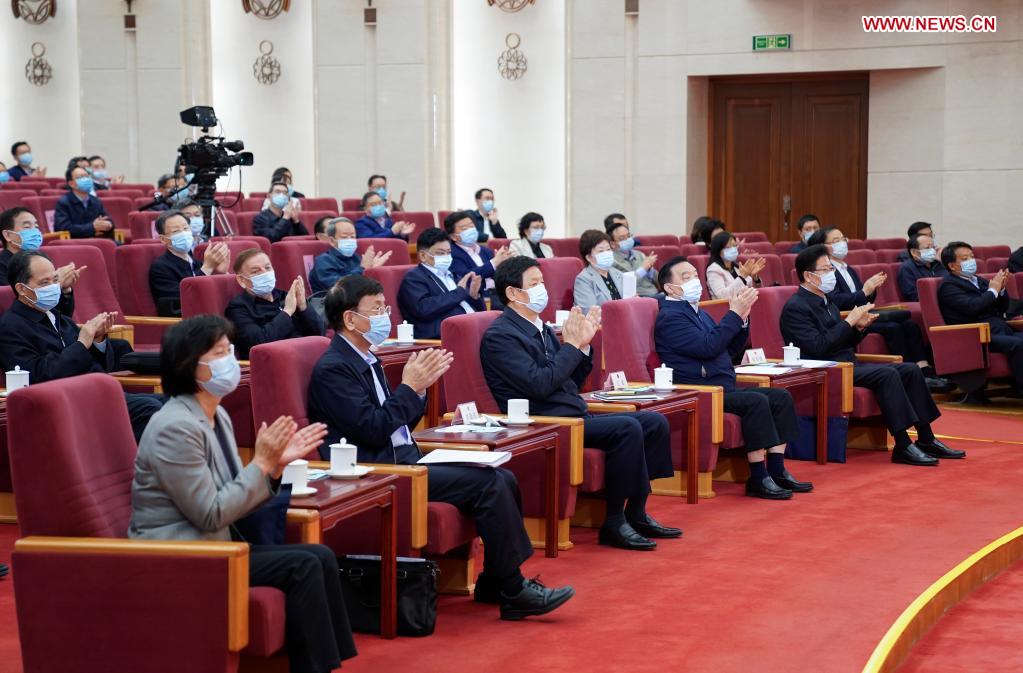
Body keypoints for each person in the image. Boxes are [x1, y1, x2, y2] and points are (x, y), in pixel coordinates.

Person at [309, 275, 575, 619]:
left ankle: (494, 580)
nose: (385, 316)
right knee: (488, 484)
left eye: (385, 308)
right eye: (376, 309)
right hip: (378, 473)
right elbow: (374, 430)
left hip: (407, 459)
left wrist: (417, 391)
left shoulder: (365, 358)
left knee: (503, 476)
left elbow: (397, 423)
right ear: (349, 318)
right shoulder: (334, 369)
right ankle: (513, 589)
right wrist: (410, 388)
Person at [129, 315, 355, 672]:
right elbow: (211, 514)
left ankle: (325, 665)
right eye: (219, 353)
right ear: (190, 366)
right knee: (304, 565)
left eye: (230, 350)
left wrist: (274, 466)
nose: (230, 360)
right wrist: (261, 464)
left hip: (221, 543)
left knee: (321, 556)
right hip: (182, 553)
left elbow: (237, 492)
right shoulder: (175, 427)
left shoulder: (217, 415)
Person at [482, 256, 680, 550]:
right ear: (512, 292)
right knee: (627, 428)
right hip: (543, 422)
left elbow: (570, 382)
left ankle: (636, 512)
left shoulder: (540, 328)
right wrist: (572, 346)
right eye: (534, 283)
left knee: (654, 421)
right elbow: (539, 384)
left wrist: (584, 346)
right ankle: (614, 522)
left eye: (542, 282)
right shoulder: (501, 336)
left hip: (572, 413)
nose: (542, 289)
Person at [780, 245, 964, 466]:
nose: (832, 274)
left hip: (847, 364)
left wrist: (859, 328)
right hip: (825, 370)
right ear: (809, 276)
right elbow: (817, 347)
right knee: (887, 375)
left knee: (911, 369)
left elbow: (842, 341)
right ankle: (903, 444)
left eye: (831, 268)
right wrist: (848, 322)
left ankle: (926, 437)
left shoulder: (827, 301)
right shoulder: (796, 307)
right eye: (826, 269)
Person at [654, 256, 811, 499]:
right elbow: (708, 347)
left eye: (695, 275)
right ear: (670, 288)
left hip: (723, 386)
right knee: (756, 402)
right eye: (686, 277)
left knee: (780, 396)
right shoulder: (671, 317)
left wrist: (743, 319)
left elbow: (727, 350)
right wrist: (733, 315)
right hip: (700, 391)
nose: (695, 280)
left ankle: (777, 470)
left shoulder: (697, 312)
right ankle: (758, 476)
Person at [0, 250, 163, 440]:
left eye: (55, 280)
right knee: (151, 409)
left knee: (175, 401)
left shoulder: (55, 316)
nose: (53, 287)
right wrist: (82, 342)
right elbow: (39, 376)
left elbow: (99, 364)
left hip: (98, 392)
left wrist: (98, 340)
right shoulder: (10, 327)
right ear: (22, 289)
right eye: (44, 283)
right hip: (67, 401)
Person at [808, 227, 944, 388]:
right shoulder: (826, 274)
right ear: (822, 246)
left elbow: (862, 296)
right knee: (893, 327)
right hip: (850, 318)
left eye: (843, 239)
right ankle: (908, 371)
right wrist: (864, 291)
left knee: (910, 325)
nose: (842, 243)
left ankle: (922, 368)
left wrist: (871, 290)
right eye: (836, 241)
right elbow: (836, 300)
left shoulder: (847, 268)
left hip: (862, 312)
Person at [938, 241, 1023, 394]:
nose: (971, 261)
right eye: (965, 259)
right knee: (1017, 344)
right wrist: (993, 291)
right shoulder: (949, 286)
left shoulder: (979, 280)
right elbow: (972, 307)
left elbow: (1002, 308)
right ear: (952, 266)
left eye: (972, 257)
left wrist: (1001, 290)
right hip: (977, 335)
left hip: (998, 328)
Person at [225, 248, 325, 359]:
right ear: (242, 280)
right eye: (256, 271)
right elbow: (258, 343)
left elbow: (320, 333)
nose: (265, 273)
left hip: (307, 355)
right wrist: (287, 312)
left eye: (268, 268)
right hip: (276, 362)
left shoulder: (285, 296)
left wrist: (303, 306)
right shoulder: (238, 308)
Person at [397, 228, 485, 339]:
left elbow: (479, 309)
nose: (446, 257)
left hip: (473, 327)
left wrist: (474, 296)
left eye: (449, 252)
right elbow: (423, 309)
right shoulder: (414, 278)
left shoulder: (453, 275)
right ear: (423, 256)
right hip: (444, 334)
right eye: (440, 253)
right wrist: (458, 293)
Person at [149, 209, 230, 317]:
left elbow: (217, 294)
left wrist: (221, 274)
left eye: (186, 228)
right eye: (176, 231)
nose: (183, 233)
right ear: (163, 239)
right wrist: (207, 268)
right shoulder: (161, 267)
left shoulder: (195, 262)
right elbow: (185, 299)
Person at [0, 207, 81, 315]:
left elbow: (62, 316)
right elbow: (12, 305)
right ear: (8, 235)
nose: (35, 232)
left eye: (36, 227)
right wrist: (57, 283)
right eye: (27, 227)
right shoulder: (2, 265)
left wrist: (65, 290)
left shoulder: (41, 261)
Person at [309, 217, 392, 293]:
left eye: (352, 237)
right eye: (344, 237)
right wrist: (362, 269)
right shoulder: (323, 260)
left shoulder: (356, 257)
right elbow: (338, 287)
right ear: (332, 241)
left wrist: (370, 271)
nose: (350, 240)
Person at [445, 210, 513, 299]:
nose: (470, 230)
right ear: (453, 236)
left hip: (499, 294)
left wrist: (504, 263)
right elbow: (467, 277)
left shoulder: (486, 250)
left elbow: (500, 276)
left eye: (471, 226)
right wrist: (494, 263)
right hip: (479, 298)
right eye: (464, 228)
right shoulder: (451, 254)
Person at [605, 213, 658, 298]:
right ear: (613, 244)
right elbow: (625, 286)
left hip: (655, 294)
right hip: (638, 297)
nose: (628, 240)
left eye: (629, 236)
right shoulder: (611, 261)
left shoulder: (639, 254)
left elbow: (658, 279)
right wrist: (643, 269)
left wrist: (650, 270)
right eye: (622, 238)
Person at [53, 165, 114, 239]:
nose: (86, 180)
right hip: (76, 242)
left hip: (96, 239)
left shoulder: (95, 201)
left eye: (87, 176)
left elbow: (108, 219)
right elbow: (63, 228)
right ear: (71, 184)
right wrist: (92, 227)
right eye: (80, 177)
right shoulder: (64, 202)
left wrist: (107, 224)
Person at [573, 229, 625, 310]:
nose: (606, 253)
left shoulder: (618, 273)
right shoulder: (584, 279)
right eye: (601, 251)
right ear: (589, 257)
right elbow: (589, 311)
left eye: (608, 249)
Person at [706, 231, 764, 299]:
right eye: (728, 247)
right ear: (718, 250)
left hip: (744, 303)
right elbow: (722, 296)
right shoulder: (713, 270)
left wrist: (755, 278)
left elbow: (753, 292)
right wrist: (742, 277)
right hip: (726, 305)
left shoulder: (737, 267)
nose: (733, 249)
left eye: (734, 245)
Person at [898, 233, 947, 301]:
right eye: (927, 248)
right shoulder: (907, 268)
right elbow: (913, 295)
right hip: (931, 302)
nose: (932, 251)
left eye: (933, 247)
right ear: (914, 252)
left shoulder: (940, 264)